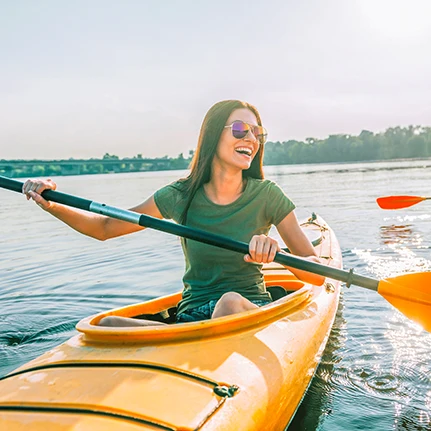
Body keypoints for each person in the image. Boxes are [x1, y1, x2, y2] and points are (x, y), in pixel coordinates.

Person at [23, 99, 324, 326]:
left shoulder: (267, 195)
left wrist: (277, 252)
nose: (251, 139)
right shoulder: (180, 195)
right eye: (240, 129)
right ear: (212, 135)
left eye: (258, 133)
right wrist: (50, 202)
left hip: (245, 309)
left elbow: (317, 275)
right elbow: (104, 228)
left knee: (229, 302)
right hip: (191, 316)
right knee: (107, 324)